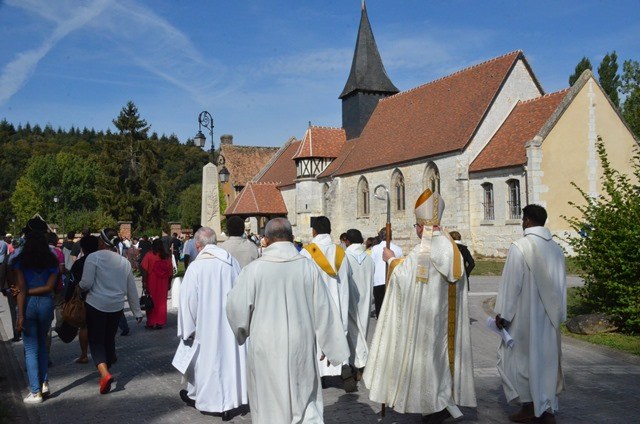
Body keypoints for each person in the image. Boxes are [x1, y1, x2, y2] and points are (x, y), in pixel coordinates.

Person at [364, 189, 476, 423]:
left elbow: (404, 278)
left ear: (421, 226)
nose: (416, 230)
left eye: (416, 225)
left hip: (426, 320)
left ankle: (435, 406)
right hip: (446, 321)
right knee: (441, 361)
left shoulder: (424, 250)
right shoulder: (451, 247)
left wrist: (390, 260)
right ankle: (441, 404)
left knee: (427, 362)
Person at [226, 218, 350, 424]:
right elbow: (324, 309)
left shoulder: (253, 271)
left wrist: (242, 331)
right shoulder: (308, 268)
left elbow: (236, 308)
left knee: (269, 405)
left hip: (266, 347)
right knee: (304, 402)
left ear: (265, 240)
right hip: (300, 345)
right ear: (292, 238)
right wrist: (332, 345)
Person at [494, 204, 566, 424]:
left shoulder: (520, 247)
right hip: (550, 317)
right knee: (546, 361)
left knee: (521, 361)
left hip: (524, 318)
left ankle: (529, 406)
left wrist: (503, 314)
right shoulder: (557, 249)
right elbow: (562, 284)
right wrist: (560, 314)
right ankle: (546, 408)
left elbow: (511, 284)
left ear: (526, 220)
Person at [176, 227, 247, 421]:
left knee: (208, 364)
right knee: (229, 362)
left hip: (205, 327)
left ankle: (210, 402)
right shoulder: (231, 262)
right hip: (231, 324)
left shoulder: (196, 267)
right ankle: (231, 400)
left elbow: (188, 301)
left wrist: (187, 329)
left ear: (198, 245)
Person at [79, 228, 143, 395]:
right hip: (116, 307)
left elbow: (86, 283)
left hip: (96, 305)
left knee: (96, 341)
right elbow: (131, 289)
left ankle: (105, 373)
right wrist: (137, 311)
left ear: (101, 241)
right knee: (109, 339)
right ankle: (107, 366)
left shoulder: (93, 258)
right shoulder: (124, 262)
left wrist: (78, 288)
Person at [300, 216, 352, 390]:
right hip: (338, 301)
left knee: (316, 334)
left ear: (314, 231)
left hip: (316, 303)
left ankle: (319, 374)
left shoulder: (307, 253)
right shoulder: (341, 252)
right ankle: (342, 366)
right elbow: (347, 278)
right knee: (339, 330)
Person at [12, 224, 59, 404]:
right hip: (46, 302)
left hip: (28, 304)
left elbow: (21, 289)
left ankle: (35, 391)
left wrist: (20, 316)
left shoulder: (20, 261)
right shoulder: (52, 260)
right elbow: (49, 287)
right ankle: (44, 382)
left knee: (31, 348)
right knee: (42, 344)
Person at [343, 228, 374, 382]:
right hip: (366, 300)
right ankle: (360, 363)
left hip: (349, 299)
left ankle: (357, 365)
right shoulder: (369, 259)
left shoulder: (345, 257)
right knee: (362, 330)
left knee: (352, 333)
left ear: (347, 241)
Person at [66, 235, 99, 364]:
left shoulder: (78, 263)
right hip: (101, 297)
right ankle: (106, 352)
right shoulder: (101, 261)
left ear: (83, 248)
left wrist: (68, 298)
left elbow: (72, 282)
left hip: (83, 298)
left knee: (84, 326)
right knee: (101, 326)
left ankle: (84, 354)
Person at [370, 227, 403, 318]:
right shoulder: (398, 249)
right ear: (391, 236)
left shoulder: (375, 249)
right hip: (393, 280)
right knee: (392, 309)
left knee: (380, 310)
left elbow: (371, 264)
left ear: (380, 236)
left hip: (378, 281)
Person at [141, 238, 172, 329]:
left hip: (152, 282)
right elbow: (170, 272)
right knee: (161, 302)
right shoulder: (167, 257)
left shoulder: (149, 255)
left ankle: (151, 322)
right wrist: (169, 283)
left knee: (151, 301)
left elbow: (144, 270)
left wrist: (144, 282)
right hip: (163, 282)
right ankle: (160, 322)